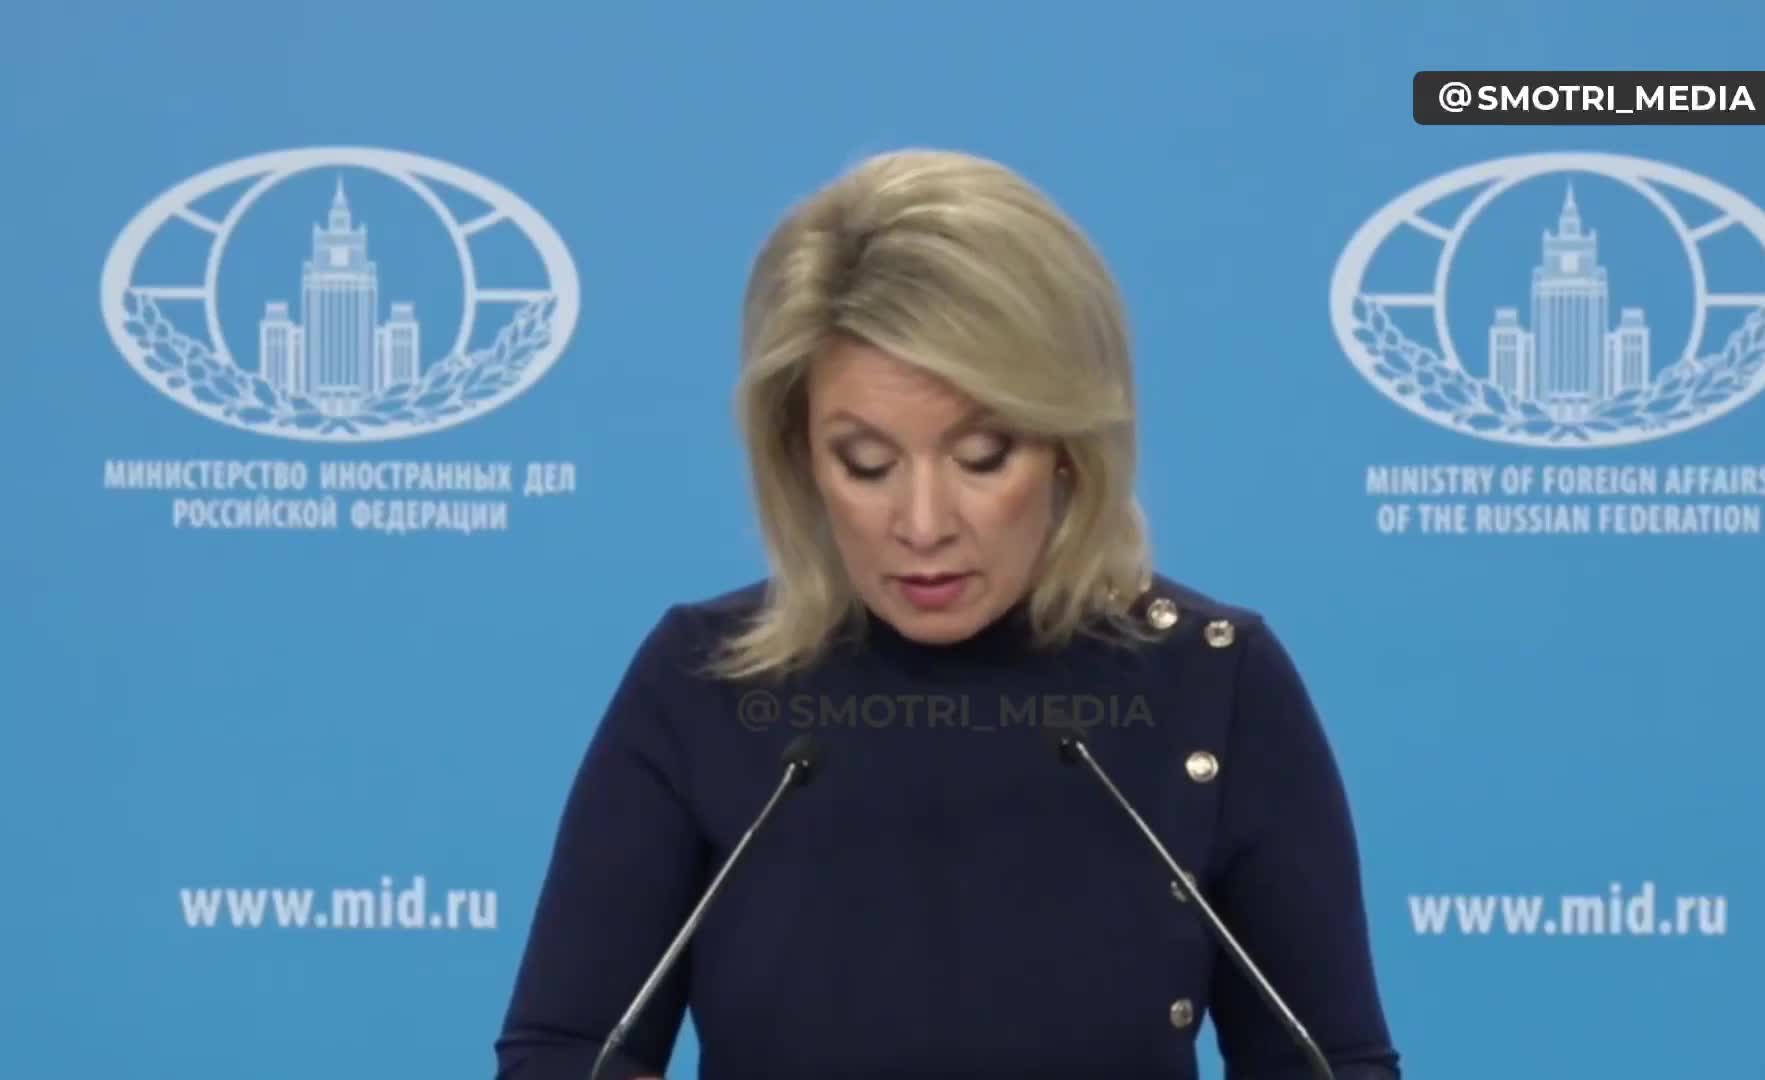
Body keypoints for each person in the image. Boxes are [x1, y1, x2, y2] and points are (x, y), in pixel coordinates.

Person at [494, 149, 1401, 1079]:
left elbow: (1332, 1064)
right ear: (800, 456)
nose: (923, 525)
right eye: (867, 463)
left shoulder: (1214, 681)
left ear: (1069, 446)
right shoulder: (705, 681)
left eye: (981, 457)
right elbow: (562, 1054)